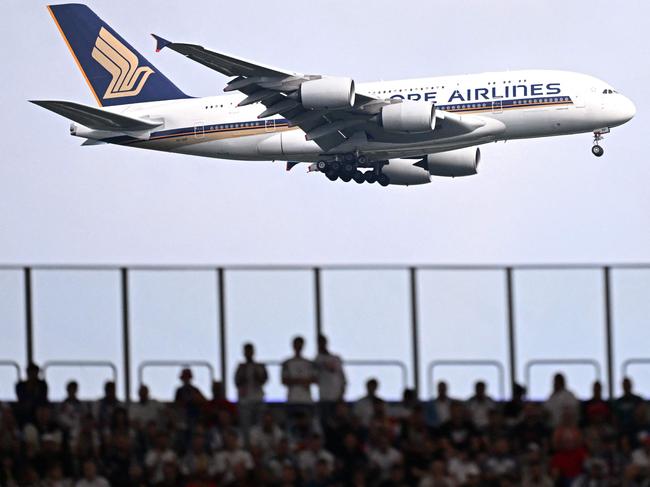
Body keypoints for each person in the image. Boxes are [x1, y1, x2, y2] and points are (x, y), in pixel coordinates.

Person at [234, 342, 268, 437]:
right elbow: (237, 382)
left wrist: (255, 372)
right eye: (246, 351)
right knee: (245, 426)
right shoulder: (240, 367)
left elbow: (264, 380)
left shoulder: (260, 366)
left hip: (258, 398)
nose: (248, 353)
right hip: (245, 400)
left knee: (259, 426)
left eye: (250, 351)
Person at [281, 336, 316, 404]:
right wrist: (301, 380)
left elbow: (315, 379)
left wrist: (297, 380)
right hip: (292, 398)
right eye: (297, 344)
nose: (298, 347)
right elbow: (284, 380)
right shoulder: (287, 363)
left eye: (300, 345)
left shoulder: (309, 363)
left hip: (306, 398)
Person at [314, 335, 346, 403]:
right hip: (324, 395)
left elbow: (342, 377)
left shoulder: (336, 358)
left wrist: (342, 392)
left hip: (336, 395)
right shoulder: (317, 360)